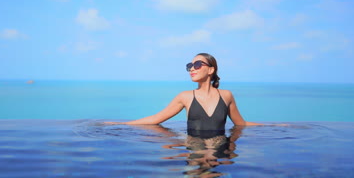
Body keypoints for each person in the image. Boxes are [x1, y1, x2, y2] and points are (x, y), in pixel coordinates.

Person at [106, 53, 263, 128]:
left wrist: (278, 126)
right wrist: (121, 124)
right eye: (190, 66)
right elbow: (156, 119)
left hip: (219, 153)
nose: (191, 69)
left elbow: (241, 124)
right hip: (193, 152)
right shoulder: (185, 97)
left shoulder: (226, 96)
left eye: (197, 65)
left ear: (211, 70)